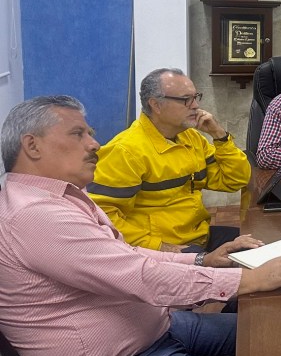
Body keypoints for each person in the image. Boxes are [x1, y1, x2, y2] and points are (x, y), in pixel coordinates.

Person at [0, 95, 281, 356]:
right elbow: (139, 276)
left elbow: (127, 256)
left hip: (156, 328)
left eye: (90, 133)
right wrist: (244, 281)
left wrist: (202, 259)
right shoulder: (34, 216)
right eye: (78, 134)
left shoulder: (60, 197)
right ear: (32, 145)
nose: (95, 144)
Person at [89, 68, 249, 252]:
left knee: (262, 244)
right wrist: (161, 247)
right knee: (245, 274)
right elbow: (102, 216)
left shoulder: (191, 138)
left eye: (196, 97)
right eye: (186, 100)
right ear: (156, 105)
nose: (196, 105)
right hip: (163, 248)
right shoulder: (126, 150)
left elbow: (234, 181)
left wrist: (219, 135)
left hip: (198, 237)